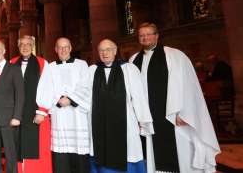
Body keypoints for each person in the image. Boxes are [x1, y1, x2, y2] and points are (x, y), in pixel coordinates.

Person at [130, 22, 220, 172]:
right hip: (147, 118)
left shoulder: (173, 55)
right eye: (141, 35)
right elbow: (132, 91)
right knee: (151, 154)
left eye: (148, 34)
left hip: (171, 115)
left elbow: (188, 86)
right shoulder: (133, 60)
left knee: (181, 155)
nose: (145, 38)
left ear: (157, 36)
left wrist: (184, 112)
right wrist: (136, 116)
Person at [87, 39, 154, 173]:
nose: (105, 53)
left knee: (128, 149)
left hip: (125, 121)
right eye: (101, 50)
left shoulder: (129, 69)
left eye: (108, 49)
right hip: (98, 122)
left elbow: (138, 96)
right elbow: (85, 96)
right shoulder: (92, 70)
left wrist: (143, 120)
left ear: (115, 51)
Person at [36, 37, 90, 173]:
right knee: (61, 154)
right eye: (60, 47)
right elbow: (45, 88)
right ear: (55, 50)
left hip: (78, 115)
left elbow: (86, 86)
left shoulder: (82, 64)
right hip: (59, 115)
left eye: (66, 47)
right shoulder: (50, 67)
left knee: (79, 151)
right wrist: (58, 100)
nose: (63, 50)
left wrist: (71, 99)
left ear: (71, 48)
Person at [9, 35, 51, 173]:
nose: (25, 47)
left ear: (33, 45)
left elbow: (48, 88)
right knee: (16, 148)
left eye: (28, 44)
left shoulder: (42, 63)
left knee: (36, 150)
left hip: (36, 114)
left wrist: (42, 111)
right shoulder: (12, 62)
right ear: (18, 46)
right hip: (16, 115)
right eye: (22, 44)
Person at [0, 40, 24, 173]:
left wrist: (17, 116)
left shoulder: (14, 69)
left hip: (9, 119)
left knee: (10, 154)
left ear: (4, 51)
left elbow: (20, 94)